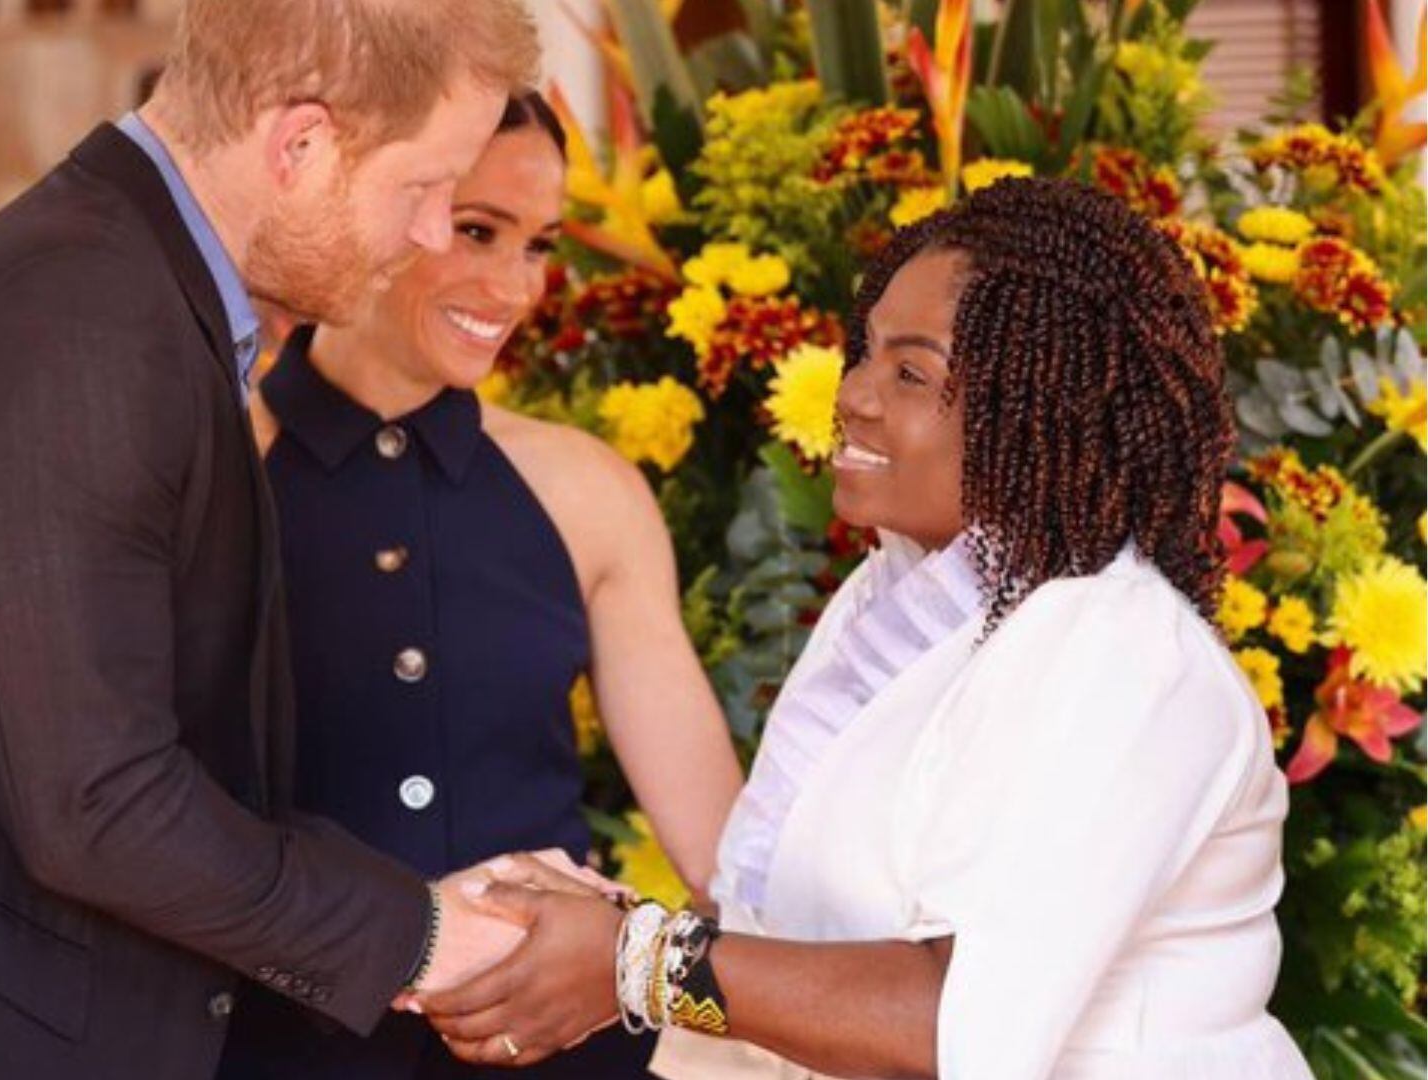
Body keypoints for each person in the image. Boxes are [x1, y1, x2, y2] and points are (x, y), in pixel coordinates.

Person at [0, 2, 553, 1077]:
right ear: (301, 145)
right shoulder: (82, 319)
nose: (428, 233)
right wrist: (424, 936)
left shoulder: (127, 290)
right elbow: (99, 803)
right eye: (424, 188)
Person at [411, 178, 1314, 1079]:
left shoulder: (1123, 655)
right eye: (866, 354)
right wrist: (586, 924)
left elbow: (961, 1030)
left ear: (1040, 405)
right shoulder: (893, 602)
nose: (854, 395)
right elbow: (803, 950)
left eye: (911, 373)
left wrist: (636, 960)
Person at [216, 93, 744, 1079]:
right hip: (274, 1051)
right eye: (474, 230)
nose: (514, 286)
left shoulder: (591, 491)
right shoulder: (211, 468)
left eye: (538, 243)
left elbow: (726, 856)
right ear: (376, 203)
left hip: (558, 1055)